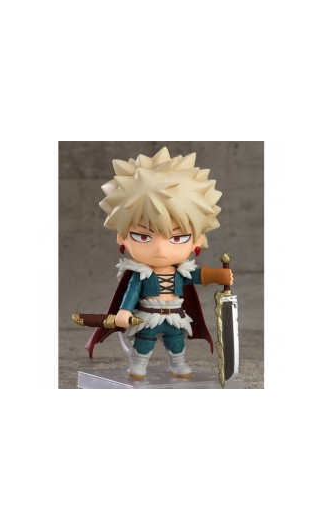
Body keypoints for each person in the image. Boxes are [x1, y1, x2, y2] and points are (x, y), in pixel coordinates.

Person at [90, 147, 233, 380]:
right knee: (144, 342)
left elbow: (198, 275)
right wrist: (124, 311)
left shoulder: (181, 271)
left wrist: (219, 276)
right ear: (122, 237)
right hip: (147, 317)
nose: (160, 249)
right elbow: (132, 292)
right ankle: (138, 366)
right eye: (142, 236)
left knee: (176, 342)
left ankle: (178, 365)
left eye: (177, 238)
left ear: (198, 240)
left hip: (175, 316)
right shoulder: (140, 273)